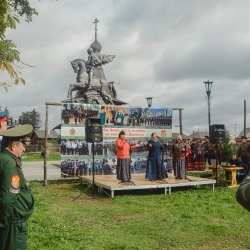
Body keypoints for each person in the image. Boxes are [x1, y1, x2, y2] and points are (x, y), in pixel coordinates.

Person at [0, 124, 34, 250]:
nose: (24, 149)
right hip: (12, 223)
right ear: (14, 145)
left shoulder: (3, 158)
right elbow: (8, 195)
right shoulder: (9, 162)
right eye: (23, 144)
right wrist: (2, 222)